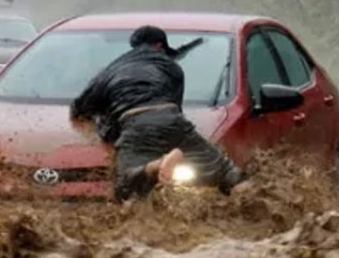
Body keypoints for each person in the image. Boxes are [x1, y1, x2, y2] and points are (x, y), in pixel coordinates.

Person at [69, 25, 245, 201]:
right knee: (226, 170)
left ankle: (156, 165)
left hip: (135, 123)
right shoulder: (172, 68)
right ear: (160, 46)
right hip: (171, 119)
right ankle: (250, 200)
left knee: (124, 187)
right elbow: (176, 109)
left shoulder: (110, 71)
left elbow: (79, 109)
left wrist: (104, 131)